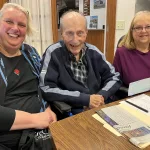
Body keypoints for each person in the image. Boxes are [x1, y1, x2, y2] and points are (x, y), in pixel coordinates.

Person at [40, 11, 121, 115]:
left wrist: (100, 97)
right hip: (71, 114)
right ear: (62, 34)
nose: (75, 39)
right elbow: (45, 88)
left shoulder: (94, 52)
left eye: (80, 33)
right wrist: (86, 99)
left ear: (86, 33)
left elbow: (114, 77)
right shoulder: (52, 53)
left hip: (98, 108)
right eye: (69, 33)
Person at [0, 3, 56, 150]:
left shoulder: (30, 52)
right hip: (10, 139)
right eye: (9, 21)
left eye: (22, 25)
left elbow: (41, 86)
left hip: (41, 132)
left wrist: (48, 109)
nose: (15, 28)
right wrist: (35, 120)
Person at [113, 11, 150, 88]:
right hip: (132, 98)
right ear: (132, 31)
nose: (143, 31)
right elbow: (114, 82)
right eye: (138, 27)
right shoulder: (122, 53)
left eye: (148, 27)